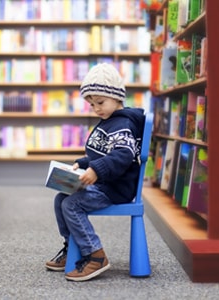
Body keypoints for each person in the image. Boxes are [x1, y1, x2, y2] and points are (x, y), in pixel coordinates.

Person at [45, 63, 145, 281]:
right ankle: (73, 246)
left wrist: (96, 170)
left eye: (100, 102)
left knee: (71, 203)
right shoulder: (108, 121)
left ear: (117, 97)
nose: (96, 108)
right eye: (92, 105)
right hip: (104, 182)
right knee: (60, 198)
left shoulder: (123, 124)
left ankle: (95, 255)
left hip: (115, 188)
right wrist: (81, 165)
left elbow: (122, 155)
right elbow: (100, 154)